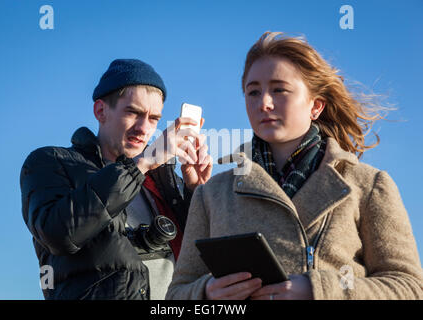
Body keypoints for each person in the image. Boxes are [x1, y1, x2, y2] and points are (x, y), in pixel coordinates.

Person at [166, 32, 423, 300]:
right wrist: (206, 292)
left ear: (316, 106)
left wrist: (319, 290)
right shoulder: (212, 194)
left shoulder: (368, 185)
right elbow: (176, 295)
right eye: (253, 92)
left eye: (279, 89)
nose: (264, 102)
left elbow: (409, 287)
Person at [20, 58, 212, 300]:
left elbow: (202, 255)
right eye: (133, 112)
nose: (144, 128)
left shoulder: (163, 180)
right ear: (101, 111)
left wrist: (197, 191)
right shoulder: (50, 162)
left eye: (154, 118)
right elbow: (58, 234)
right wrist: (142, 163)